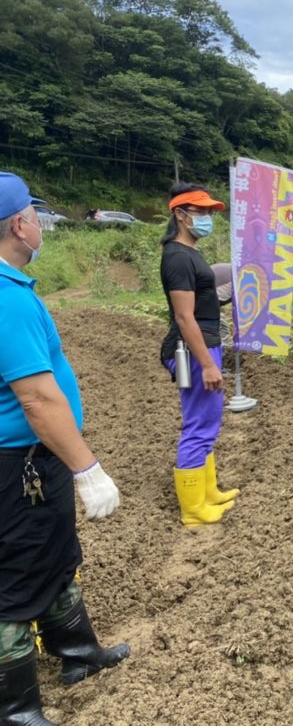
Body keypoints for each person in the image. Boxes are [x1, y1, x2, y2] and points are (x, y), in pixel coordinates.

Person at [0, 172, 128, 725]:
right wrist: (88, 469)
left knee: (56, 553)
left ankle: (78, 654)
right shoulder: (6, 300)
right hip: (18, 464)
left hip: (36, 461)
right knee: (16, 576)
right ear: (18, 225)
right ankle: (16, 707)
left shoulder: (14, 290)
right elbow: (36, 397)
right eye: (32, 212)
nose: (37, 222)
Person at [159, 182, 239, 526]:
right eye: (201, 212)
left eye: (211, 212)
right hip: (193, 349)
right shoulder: (177, 256)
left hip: (205, 344)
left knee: (209, 419)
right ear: (180, 214)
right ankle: (193, 510)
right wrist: (206, 363)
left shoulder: (191, 252)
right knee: (199, 423)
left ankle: (208, 492)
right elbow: (183, 316)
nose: (208, 217)